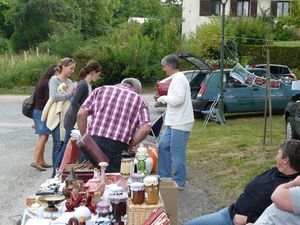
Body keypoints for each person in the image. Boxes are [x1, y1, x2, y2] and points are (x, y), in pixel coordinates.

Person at [185, 139, 300, 225]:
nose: (276, 157)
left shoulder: (291, 188)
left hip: (239, 222)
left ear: (285, 160)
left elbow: (282, 218)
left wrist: (249, 220)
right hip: (229, 212)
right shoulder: (274, 171)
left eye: (278, 154)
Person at [77, 78, 151, 172]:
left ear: (121, 83)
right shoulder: (140, 101)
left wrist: (84, 136)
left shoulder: (100, 90)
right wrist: (131, 145)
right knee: (112, 182)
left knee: (87, 178)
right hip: (117, 146)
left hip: (93, 141)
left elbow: (81, 114)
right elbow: (146, 127)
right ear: (137, 90)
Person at [52, 60, 102, 175]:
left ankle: (64, 171)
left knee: (73, 147)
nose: (98, 77)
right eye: (98, 74)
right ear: (93, 72)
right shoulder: (82, 84)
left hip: (77, 118)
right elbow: (74, 102)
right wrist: (84, 111)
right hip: (72, 119)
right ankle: (55, 173)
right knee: (66, 147)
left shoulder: (87, 84)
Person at [155, 54, 194, 189]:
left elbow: (178, 100)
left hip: (181, 122)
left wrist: (163, 98)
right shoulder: (176, 78)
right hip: (173, 122)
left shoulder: (179, 79)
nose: (164, 69)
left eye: (164, 66)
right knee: (163, 146)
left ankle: (179, 182)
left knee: (177, 153)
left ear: (171, 66)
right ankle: (165, 178)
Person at [41, 57, 76, 177]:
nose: (72, 71)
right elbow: (54, 96)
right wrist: (69, 94)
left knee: (65, 145)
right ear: (64, 67)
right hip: (57, 116)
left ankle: (61, 171)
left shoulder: (70, 82)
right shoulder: (54, 80)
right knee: (58, 144)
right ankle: (55, 174)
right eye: (71, 68)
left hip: (66, 117)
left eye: (74, 69)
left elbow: (70, 99)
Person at [30, 65, 57, 171]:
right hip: (42, 112)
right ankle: (35, 160)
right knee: (44, 137)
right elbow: (48, 100)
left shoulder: (42, 81)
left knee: (42, 137)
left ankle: (41, 160)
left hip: (37, 111)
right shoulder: (48, 83)